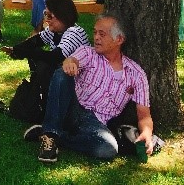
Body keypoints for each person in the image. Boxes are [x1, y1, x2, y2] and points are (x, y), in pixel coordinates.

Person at [24, 14, 154, 164]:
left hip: (95, 124)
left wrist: (146, 133)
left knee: (109, 149)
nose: (96, 38)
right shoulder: (88, 53)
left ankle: (52, 134)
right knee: (62, 73)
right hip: (72, 109)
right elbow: (72, 60)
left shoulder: (136, 74)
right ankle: (50, 136)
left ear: (119, 39)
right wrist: (70, 63)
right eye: (95, 32)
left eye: (102, 34)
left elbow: (144, 115)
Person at [0, 0, 90, 122]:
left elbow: (55, 57)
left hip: (80, 87)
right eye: (45, 14)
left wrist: (26, 53)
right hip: (66, 80)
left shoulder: (74, 32)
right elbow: (34, 42)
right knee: (40, 61)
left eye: (49, 16)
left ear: (62, 15)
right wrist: (16, 50)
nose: (46, 20)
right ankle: (37, 105)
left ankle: (43, 109)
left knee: (44, 64)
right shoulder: (55, 31)